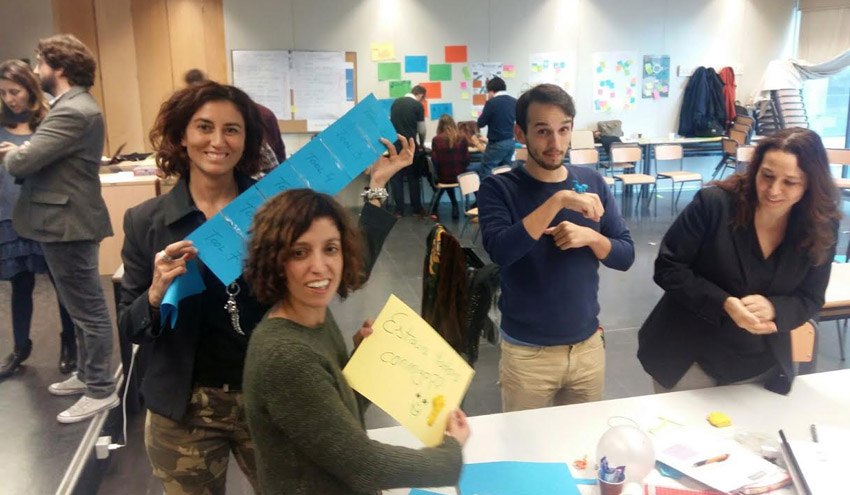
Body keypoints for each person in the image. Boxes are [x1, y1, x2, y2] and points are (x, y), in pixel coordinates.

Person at [118, 79, 418, 494]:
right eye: (204, 127)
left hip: (271, 394)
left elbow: (348, 269)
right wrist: (154, 295)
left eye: (232, 129)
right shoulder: (145, 221)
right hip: (183, 408)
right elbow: (129, 326)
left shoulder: (275, 211)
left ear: (246, 140)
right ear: (182, 136)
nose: (217, 141)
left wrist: (378, 187)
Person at [242, 187, 469, 495]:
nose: (319, 266)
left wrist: (363, 363)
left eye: (330, 249)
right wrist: (450, 455)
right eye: (299, 252)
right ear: (274, 260)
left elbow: (334, 413)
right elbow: (364, 465)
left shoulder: (314, 317)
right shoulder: (286, 356)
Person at [637, 127, 841, 395]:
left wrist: (775, 309)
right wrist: (723, 303)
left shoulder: (821, 226)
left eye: (790, 182)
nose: (773, 190)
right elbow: (668, 268)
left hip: (760, 362)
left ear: (811, 184)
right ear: (755, 169)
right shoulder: (714, 205)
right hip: (687, 356)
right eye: (767, 176)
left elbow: (811, 298)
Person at [478, 84, 635, 412]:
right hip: (527, 355)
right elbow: (501, 251)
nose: (555, 144)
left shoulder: (592, 182)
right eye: (543, 131)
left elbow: (625, 255)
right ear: (520, 133)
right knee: (525, 442)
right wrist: (558, 200)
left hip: (587, 349)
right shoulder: (499, 187)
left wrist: (592, 238)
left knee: (582, 441)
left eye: (563, 130)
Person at [0, 34, 118, 423]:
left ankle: (100, 389)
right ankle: (87, 374)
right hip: (61, 220)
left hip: (68, 222)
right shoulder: (70, 106)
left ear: (60, 68)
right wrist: (22, 153)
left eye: (40, 63)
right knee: (77, 305)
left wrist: (14, 154)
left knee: (88, 309)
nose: (36, 71)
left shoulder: (72, 111)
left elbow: (24, 163)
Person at [0, 60, 76, 379]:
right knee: (20, 284)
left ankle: (69, 343)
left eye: (15, 91)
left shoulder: (48, 124)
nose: (9, 99)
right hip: (8, 216)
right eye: (3, 93)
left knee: (61, 284)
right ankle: (20, 347)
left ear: (30, 89)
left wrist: (27, 153)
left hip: (45, 217)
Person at [429, 114, 484, 219]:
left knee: (446, 174)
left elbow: (435, 161)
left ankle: (452, 206)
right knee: (472, 172)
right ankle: (479, 201)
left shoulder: (436, 140)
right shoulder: (462, 138)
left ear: (440, 126)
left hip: (444, 178)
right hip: (460, 177)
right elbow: (466, 160)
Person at [389, 84, 427, 217]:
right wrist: (421, 144)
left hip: (396, 146)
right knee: (413, 177)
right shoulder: (417, 106)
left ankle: (399, 210)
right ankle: (417, 208)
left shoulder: (395, 103)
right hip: (411, 146)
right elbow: (421, 130)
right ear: (421, 95)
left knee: (396, 178)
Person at [476, 77, 516, 177]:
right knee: (505, 172)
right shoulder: (514, 101)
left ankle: (488, 188)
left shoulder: (491, 103)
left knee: (486, 170)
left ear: (492, 91)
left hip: (496, 144)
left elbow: (481, 123)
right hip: (510, 142)